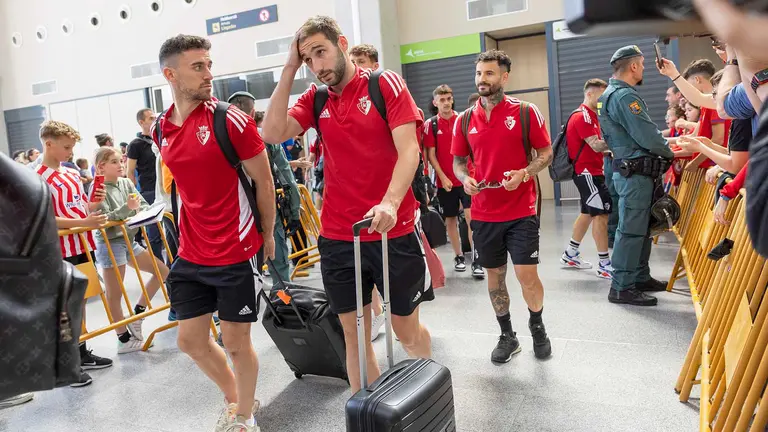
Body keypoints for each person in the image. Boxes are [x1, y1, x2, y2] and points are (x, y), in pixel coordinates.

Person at [261, 15, 433, 394]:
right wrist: (289, 67)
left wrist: (390, 203)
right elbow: (271, 132)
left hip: (392, 231)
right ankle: (367, 413)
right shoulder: (315, 98)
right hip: (340, 236)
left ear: (341, 43)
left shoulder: (384, 84)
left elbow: (410, 151)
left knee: (405, 330)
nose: (317, 66)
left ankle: (428, 390)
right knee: (354, 334)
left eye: (320, 52)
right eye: (308, 59)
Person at [153, 34, 275, 432]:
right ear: (170, 75)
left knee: (237, 343)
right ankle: (236, 397)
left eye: (209, 65)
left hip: (236, 248)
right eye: (198, 67)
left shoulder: (231, 120)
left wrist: (269, 233)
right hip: (191, 250)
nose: (209, 74)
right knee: (189, 340)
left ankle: (244, 417)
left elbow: (264, 181)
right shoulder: (160, 129)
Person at [452, 49, 554, 362]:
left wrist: (525, 173)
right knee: (495, 277)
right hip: (483, 213)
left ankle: (537, 326)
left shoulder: (526, 112)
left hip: (521, 210)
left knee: (526, 276)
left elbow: (546, 153)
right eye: (479, 73)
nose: (482, 79)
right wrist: (464, 179)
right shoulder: (464, 120)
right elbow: (458, 162)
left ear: (504, 77)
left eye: (489, 73)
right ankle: (507, 336)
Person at [34, 120, 113, 387]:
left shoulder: (70, 173)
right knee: (65, 307)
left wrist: (94, 203)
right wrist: (83, 222)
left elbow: (80, 207)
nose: (70, 152)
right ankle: (66, 365)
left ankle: (80, 352)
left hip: (82, 245)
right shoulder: (38, 177)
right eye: (66, 147)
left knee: (80, 300)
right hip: (59, 249)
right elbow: (45, 217)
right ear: (49, 144)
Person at [598, 46, 674, 306]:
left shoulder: (609, 95)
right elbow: (647, 134)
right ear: (632, 66)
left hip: (632, 171)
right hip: (636, 174)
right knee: (631, 230)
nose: (643, 69)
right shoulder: (624, 96)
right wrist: (669, 152)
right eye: (641, 65)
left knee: (642, 228)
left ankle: (639, 277)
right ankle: (622, 287)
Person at [91, 146, 170, 353]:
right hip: (110, 243)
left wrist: (145, 211)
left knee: (162, 271)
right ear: (101, 167)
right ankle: (123, 339)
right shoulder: (98, 189)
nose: (121, 165)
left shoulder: (126, 182)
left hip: (129, 239)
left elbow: (141, 204)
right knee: (115, 294)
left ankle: (138, 315)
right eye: (114, 162)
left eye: (121, 160)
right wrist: (128, 208)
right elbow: (104, 218)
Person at [231, 97, 301, 288]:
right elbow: (286, 177)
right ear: (253, 113)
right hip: (267, 208)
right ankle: (282, 303)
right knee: (278, 267)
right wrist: (294, 213)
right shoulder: (266, 139)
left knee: (238, 271)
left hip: (235, 214)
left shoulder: (221, 138)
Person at [423, 84, 484, 278]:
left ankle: (476, 258)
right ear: (435, 103)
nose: (446, 103)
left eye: (449, 99)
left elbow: (473, 148)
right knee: (450, 219)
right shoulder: (431, 125)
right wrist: (442, 177)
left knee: (471, 217)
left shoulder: (462, 119)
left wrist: (472, 174)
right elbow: (431, 155)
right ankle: (458, 256)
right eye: (442, 100)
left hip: (467, 178)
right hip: (446, 183)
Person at [560, 78, 614, 279]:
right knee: (601, 215)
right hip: (587, 173)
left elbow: (595, 148)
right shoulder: (583, 116)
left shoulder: (591, 115)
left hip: (591, 171)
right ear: (590, 94)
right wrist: (620, 141)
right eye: (601, 96)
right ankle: (604, 264)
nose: (604, 100)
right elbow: (596, 145)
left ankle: (570, 254)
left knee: (587, 213)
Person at [128, 108, 163, 261]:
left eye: (155, 117)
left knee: (171, 231)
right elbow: (130, 171)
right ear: (141, 122)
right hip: (148, 191)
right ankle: (159, 267)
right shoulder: (135, 144)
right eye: (150, 118)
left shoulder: (161, 139)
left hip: (165, 189)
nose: (155, 120)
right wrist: (134, 195)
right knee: (154, 234)